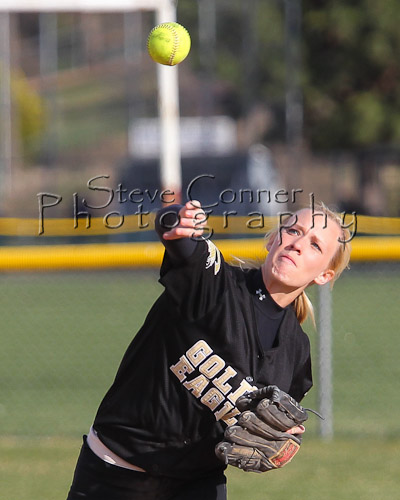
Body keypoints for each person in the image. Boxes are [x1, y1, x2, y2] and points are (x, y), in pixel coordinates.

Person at [66, 200, 351, 500]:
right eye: (293, 231)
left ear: (324, 275)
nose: (298, 244)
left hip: (197, 484)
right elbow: (176, 234)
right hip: (115, 471)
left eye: (315, 245)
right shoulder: (212, 283)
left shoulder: (295, 354)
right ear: (272, 240)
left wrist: (282, 436)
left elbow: (267, 428)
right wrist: (176, 220)